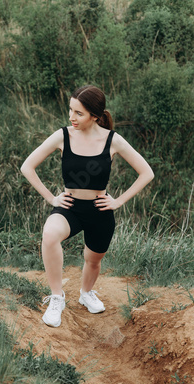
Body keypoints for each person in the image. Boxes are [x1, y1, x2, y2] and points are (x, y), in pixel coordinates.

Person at [20, 85, 154, 327]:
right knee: (50, 235)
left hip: (100, 211)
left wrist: (118, 201)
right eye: (70, 110)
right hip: (69, 207)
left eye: (78, 113)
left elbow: (147, 173)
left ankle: (85, 293)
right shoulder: (63, 135)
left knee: (93, 260)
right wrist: (52, 199)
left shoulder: (113, 140)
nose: (72, 117)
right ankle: (57, 298)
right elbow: (27, 166)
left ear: (95, 115)